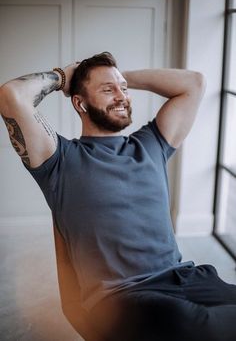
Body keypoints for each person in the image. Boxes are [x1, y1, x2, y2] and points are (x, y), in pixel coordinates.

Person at [0, 52, 236, 341]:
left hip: (187, 277)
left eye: (123, 88)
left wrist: (118, 78)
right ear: (80, 102)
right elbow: (12, 94)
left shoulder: (152, 143)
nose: (122, 96)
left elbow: (194, 83)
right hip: (125, 297)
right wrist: (65, 78)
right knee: (197, 324)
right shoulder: (59, 159)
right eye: (107, 90)